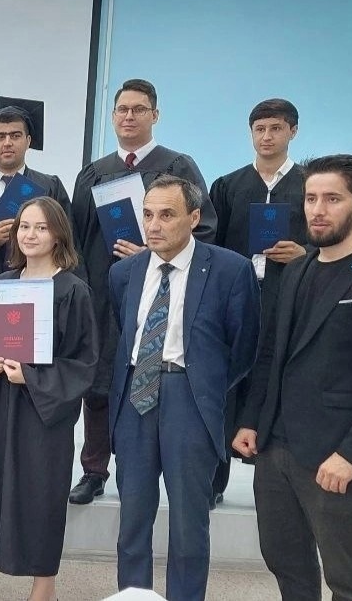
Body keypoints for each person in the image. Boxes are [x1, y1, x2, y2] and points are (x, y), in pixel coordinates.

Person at [234, 155, 352, 601]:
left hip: (335, 456)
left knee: (348, 580)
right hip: (275, 447)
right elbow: (271, 353)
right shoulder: (297, 269)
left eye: (332, 199)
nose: (317, 210)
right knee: (286, 564)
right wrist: (251, 420)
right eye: (310, 198)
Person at [69, 78, 219, 506]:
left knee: (154, 376)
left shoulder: (178, 167)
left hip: (161, 292)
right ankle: (94, 469)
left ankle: (159, 468)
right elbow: (76, 237)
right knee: (99, 379)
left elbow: (205, 227)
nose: (129, 116)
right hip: (103, 293)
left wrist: (155, 252)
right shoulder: (94, 172)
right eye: (122, 109)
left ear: (155, 115)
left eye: (138, 109)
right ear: (113, 116)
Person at [108, 175, 258, 601]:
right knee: (132, 519)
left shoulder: (230, 270)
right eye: (148, 214)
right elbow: (125, 331)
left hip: (190, 398)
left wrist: (204, 386)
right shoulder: (123, 272)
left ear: (194, 218)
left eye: (167, 215)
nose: (154, 225)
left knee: (189, 523)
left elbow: (244, 347)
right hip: (136, 396)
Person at [0, 197, 98, 601]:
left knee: (42, 494)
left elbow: (82, 362)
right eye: (24, 226)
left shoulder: (73, 290)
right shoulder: (1, 285)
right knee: (1, 486)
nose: (30, 234)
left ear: (58, 234)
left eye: (41, 227)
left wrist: (31, 375)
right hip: (2, 405)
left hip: (44, 412)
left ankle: (44, 587)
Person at [208, 98, 308, 506]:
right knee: (226, 383)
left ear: (292, 132)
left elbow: (329, 242)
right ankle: (214, 480)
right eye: (260, 129)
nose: (267, 137)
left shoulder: (309, 186)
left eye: (276, 128)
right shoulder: (228, 186)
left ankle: (272, 483)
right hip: (237, 298)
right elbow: (211, 245)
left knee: (276, 381)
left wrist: (304, 254)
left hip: (289, 298)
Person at [0, 96, 71, 285]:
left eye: (15, 136)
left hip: (38, 288)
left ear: (28, 141)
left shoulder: (50, 186)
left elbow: (68, 242)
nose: (7, 142)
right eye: (0, 137)